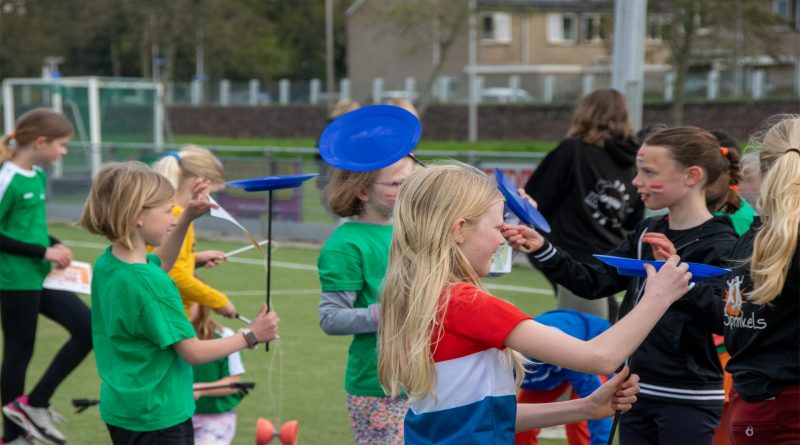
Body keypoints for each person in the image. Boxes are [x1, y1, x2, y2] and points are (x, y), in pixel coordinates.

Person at [378, 162, 694, 445]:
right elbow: (600, 357)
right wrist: (658, 295)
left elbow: (482, 417)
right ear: (459, 229)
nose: (502, 239)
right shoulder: (467, 303)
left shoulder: (423, 299)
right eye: (497, 228)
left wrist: (585, 407)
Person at [513, 127, 742, 444]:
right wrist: (542, 247)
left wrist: (677, 276)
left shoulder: (723, 243)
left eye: (649, 172)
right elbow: (593, 281)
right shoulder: (646, 231)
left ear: (692, 176)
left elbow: (727, 318)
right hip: (632, 388)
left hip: (688, 395)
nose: (636, 181)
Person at [78, 162, 279, 444]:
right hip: (159, 419)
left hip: (124, 410)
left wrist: (186, 218)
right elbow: (193, 352)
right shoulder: (152, 285)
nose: (172, 218)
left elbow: (160, 264)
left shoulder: (109, 262)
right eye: (166, 212)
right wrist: (251, 335)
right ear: (137, 216)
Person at [0, 108, 93, 445]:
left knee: (89, 327)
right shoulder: (6, 177)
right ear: (40, 142)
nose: (64, 151)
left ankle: (36, 403)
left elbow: (27, 229)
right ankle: (12, 438)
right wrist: (43, 252)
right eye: (62, 144)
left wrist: (54, 245)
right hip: (13, 279)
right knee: (19, 352)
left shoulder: (37, 174)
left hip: (40, 275)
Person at [317, 154, 415, 445]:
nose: (407, 190)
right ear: (362, 190)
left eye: (411, 181)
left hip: (425, 376)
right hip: (378, 385)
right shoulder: (345, 244)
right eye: (397, 183)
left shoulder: (413, 230)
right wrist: (386, 314)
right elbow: (330, 318)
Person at [523, 88, 644, 321]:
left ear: (584, 113)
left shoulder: (572, 151)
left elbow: (536, 201)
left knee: (587, 330)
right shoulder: (634, 161)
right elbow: (632, 219)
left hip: (570, 254)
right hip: (611, 254)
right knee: (605, 321)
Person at [718, 115, 798, 443]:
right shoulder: (768, 237)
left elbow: (734, 325)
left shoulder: (755, 235)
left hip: (753, 402)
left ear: (762, 170)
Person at [151, 145, 236, 319]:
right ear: (199, 183)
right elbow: (174, 274)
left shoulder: (167, 210)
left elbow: (156, 260)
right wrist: (219, 301)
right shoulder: (177, 215)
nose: (210, 200)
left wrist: (194, 259)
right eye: (211, 193)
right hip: (167, 312)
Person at [515, 310, 612, 445]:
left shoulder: (567, 354)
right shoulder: (501, 358)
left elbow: (597, 403)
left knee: (579, 416)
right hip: (549, 366)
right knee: (521, 423)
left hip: (590, 344)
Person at [190, 304, 246, 445]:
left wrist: (200, 388)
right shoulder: (165, 337)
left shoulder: (224, 336)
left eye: (189, 301)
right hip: (174, 416)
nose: (183, 305)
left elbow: (233, 384)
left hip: (215, 417)